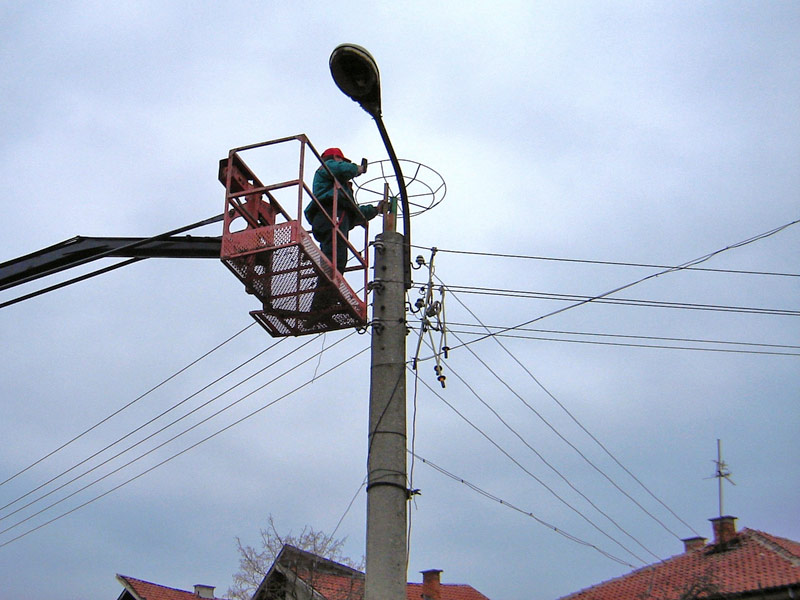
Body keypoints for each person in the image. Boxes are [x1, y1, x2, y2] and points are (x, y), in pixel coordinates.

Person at [305, 147, 382, 274]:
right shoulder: (327, 167)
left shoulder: (341, 193)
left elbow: (355, 212)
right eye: (341, 160)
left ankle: (327, 284)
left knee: (337, 256)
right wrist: (358, 169)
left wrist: (375, 210)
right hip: (329, 214)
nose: (343, 163)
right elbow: (342, 168)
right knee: (333, 255)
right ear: (335, 158)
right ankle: (327, 281)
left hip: (333, 217)